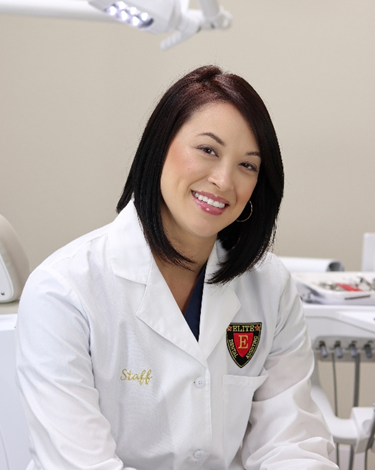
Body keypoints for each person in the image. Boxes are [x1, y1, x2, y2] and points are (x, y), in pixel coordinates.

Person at [16, 65, 338, 470]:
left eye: (248, 165)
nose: (224, 180)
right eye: (208, 150)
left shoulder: (269, 286)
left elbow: (292, 443)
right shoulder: (63, 291)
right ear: (160, 146)